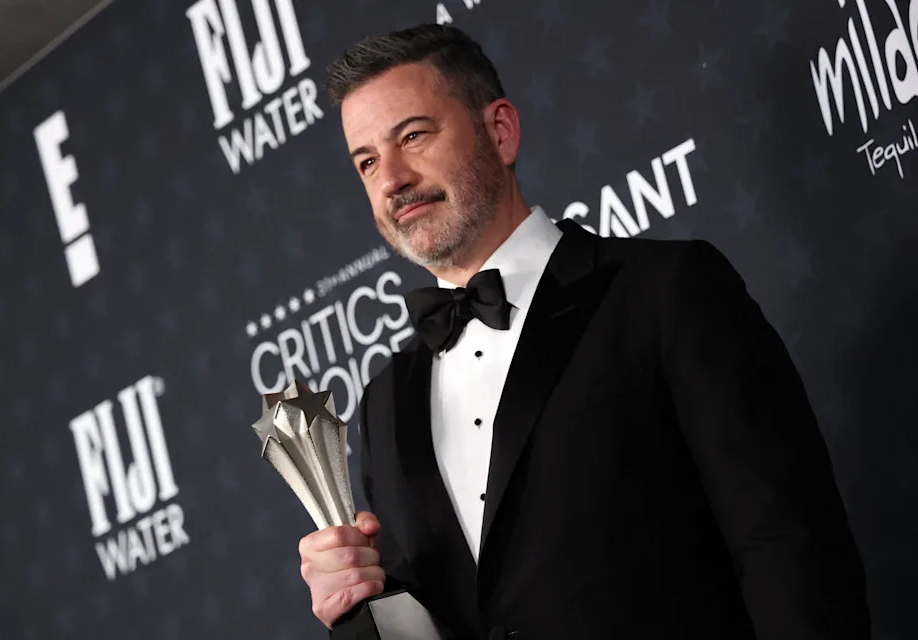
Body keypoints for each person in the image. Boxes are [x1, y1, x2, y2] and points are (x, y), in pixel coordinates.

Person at [297, 23, 870, 639]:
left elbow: (788, 547)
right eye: (366, 161)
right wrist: (357, 604)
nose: (391, 179)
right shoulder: (385, 402)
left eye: (412, 135)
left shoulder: (664, 293)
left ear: (500, 131)